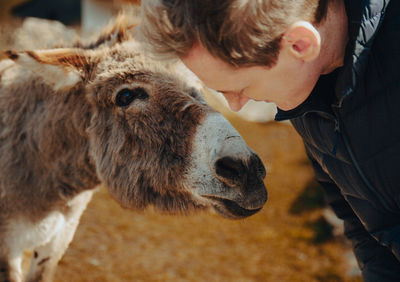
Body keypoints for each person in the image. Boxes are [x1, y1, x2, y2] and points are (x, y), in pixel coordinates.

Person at [139, 0, 400, 281]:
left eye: (242, 87)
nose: (235, 106)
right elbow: (363, 224)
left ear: (299, 45)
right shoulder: (306, 90)